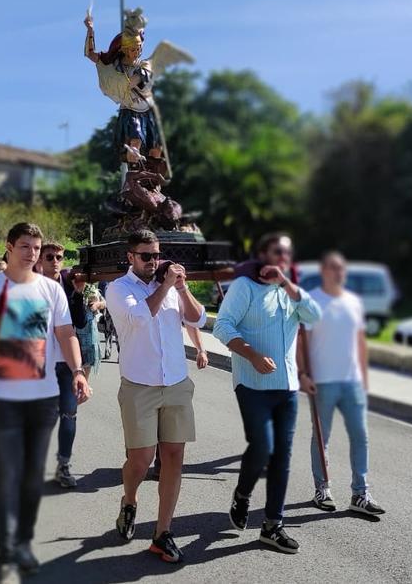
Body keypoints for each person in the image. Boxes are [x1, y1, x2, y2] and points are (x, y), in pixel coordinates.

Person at [0, 222, 91, 582]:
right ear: (8, 247)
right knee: (7, 475)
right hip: (1, 397)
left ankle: (23, 541)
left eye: (35, 247)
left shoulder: (51, 290)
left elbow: (66, 334)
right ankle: (5, 546)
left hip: (43, 397)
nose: (31, 253)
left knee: (32, 477)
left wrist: (78, 371)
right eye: (25, 247)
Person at [212, 232, 321, 554]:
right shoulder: (244, 288)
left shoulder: (290, 291)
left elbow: (315, 316)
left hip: (287, 388)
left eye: (287, 254)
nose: (283, 259)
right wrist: (253, 355)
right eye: (277, 253)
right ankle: (243, 495)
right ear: (262, 254)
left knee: (281, 458)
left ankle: (273, 525)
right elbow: (223, 326)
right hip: (253, 384)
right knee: (262, 448)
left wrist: (287, 283)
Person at [105, 230, 208, 564]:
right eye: (145, 256)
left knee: (174, 456)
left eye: (156, 255)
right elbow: (138, 318)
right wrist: (164, 286)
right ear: (130, 257)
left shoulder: (172, 287)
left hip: (176, 382)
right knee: (141, 459)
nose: (153, 261)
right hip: (139, 385)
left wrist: (181, 287)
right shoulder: (119, 289)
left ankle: (163, 533)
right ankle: (130, 500)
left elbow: (198, 318)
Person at [301, 251, 385, 516]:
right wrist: (303, 374)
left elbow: (360, 341)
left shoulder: (353, 302)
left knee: (361, 436)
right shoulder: (312, 301)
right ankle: (322, 489)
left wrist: (364, 378)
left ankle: (360, 493)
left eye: (341, 269)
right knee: (321, 438)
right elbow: (301, 341)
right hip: (323, 381)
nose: (338, 273)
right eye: (333, 268)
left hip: (352, 382)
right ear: (324, 271)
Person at [37, 243, 89, 489]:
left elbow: (79, 322)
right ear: (40, 260)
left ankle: (64, 465)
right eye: (50, 257)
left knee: (69, 414)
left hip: (66, 362)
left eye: (59, 257)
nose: (56, 261)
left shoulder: (68, 285)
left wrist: (78, 293)